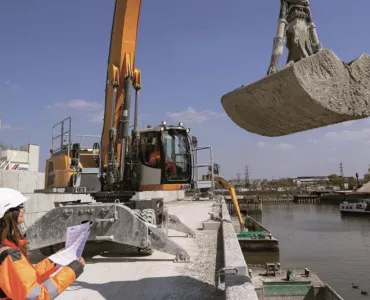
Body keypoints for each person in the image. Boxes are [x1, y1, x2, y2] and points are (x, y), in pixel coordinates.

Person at [0, 188, 85, 300]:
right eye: (21, 206)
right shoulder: (9, 255)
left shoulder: (6, 247)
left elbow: (27, 275)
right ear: (10, 212)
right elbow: (36, 296)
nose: (23, 210)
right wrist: (73, 270)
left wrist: (56, 260)